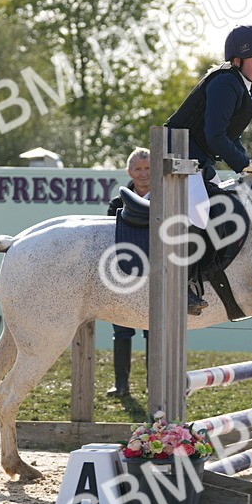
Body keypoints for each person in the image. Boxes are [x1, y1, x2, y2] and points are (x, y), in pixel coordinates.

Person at [166, 24, 252, 314]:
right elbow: (215, 135)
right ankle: (181, 283)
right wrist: (243, 164)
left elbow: (231, 135)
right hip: (177, 153)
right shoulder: (226, 82)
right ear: (238, 61)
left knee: (225, 205)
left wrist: (248, 163)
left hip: (197, 157)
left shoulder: (244, 87)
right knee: (201, 210)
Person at [104, 147, 152, 396]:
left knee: (153, 333)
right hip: (123, 278)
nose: (143, 174)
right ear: (129, 171)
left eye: (148, 168)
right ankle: (120, 384)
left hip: (155, 279)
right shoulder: (116, 204)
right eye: (138, 169)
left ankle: (153, 385)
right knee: (121, 331)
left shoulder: (170, 199)